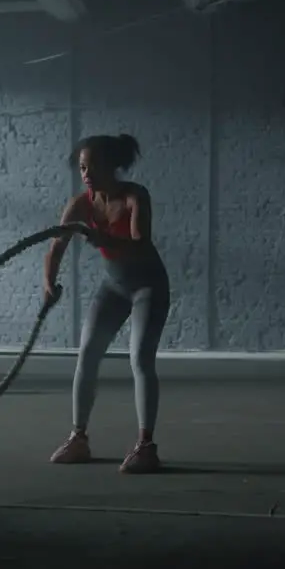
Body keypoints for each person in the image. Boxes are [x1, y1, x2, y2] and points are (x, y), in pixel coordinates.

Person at [42, 133, 171, 474]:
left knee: (140, 358)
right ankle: (78, 438)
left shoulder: (134, 196)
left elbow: (141, 245)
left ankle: (146, 446)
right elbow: (56, 247)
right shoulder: (80, 205)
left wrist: (103, 237)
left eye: (93, 166)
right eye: (82, 167)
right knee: (86, 355)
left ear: (112, 166)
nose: (86, 173)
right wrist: (48, 285)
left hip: (148, 286)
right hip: (114, 287)